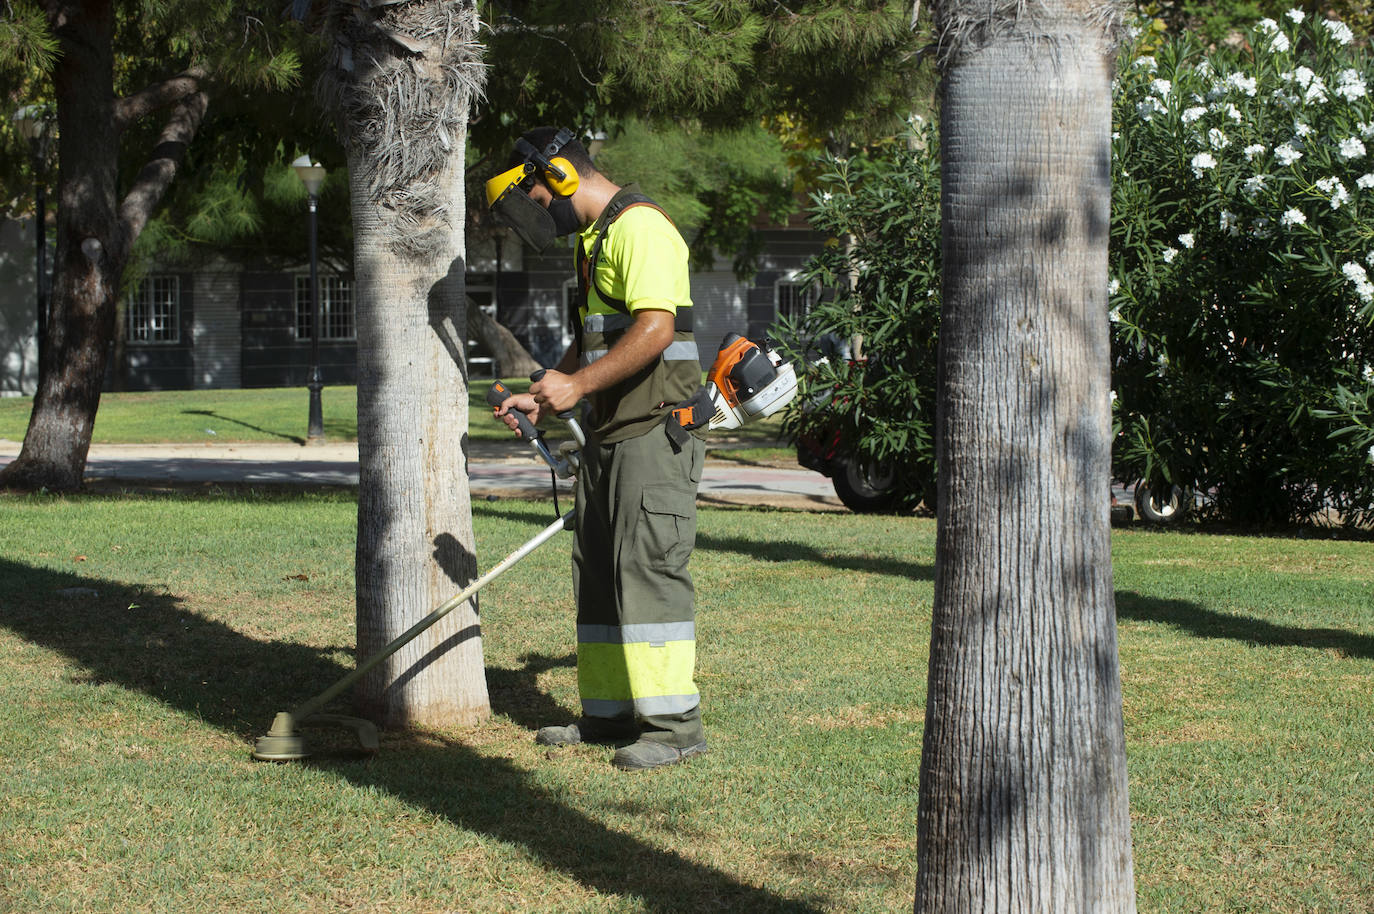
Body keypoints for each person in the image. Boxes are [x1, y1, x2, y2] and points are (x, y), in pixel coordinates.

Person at [485, 127, 709, 771]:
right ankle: (609, 716)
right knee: (600, 576)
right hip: (610, 437)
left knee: (647, 571)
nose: (533, 211)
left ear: (556, 175)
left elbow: (656, 328)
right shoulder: (596, 239)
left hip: (654, 432)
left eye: (529, 193)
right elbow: (594, 339)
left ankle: (674, 726)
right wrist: (548, 390)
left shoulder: (640, 228)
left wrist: (579, 384)